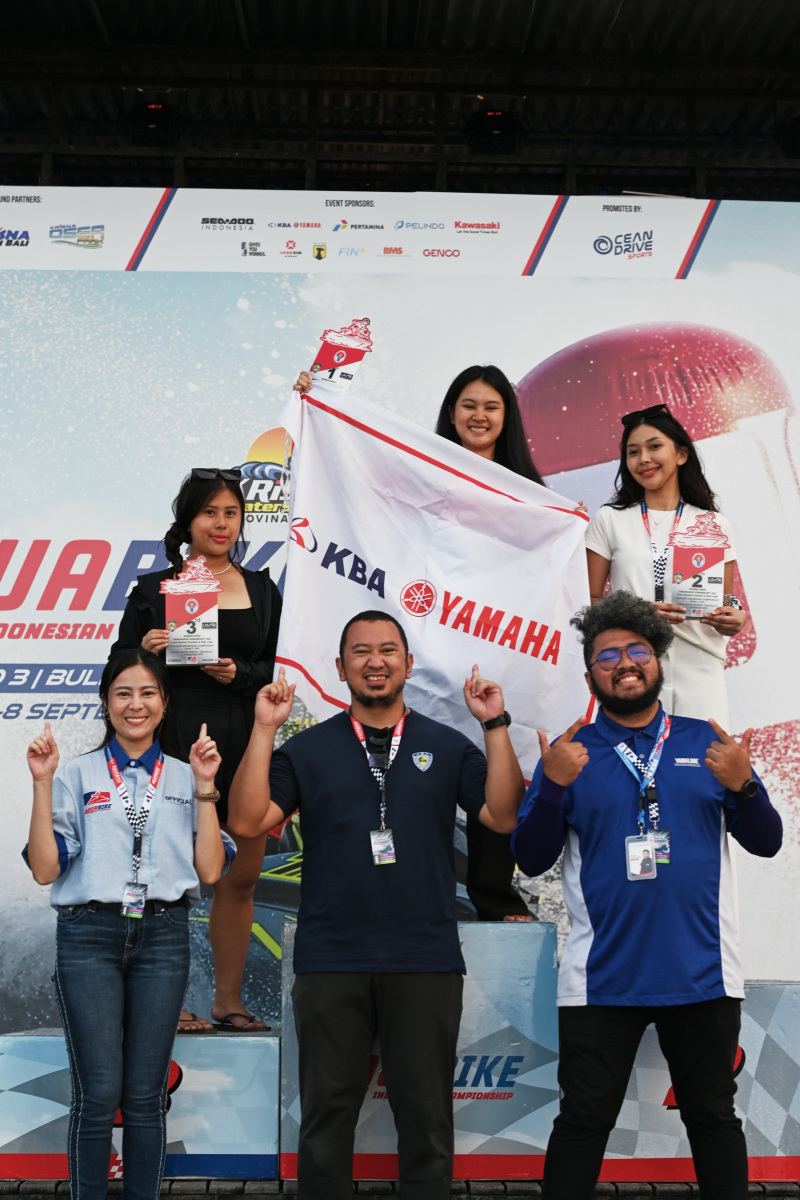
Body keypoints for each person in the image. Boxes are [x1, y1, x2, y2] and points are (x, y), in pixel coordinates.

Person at [227, 609, 524, 1200]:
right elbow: (247, 820)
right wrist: (263, 730)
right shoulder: (308, 749)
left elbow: (501, 814)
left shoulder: (447, 744)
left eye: (388, 650)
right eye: (360, 652)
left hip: (424, 959)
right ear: (340, 669)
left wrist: (494, 724)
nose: (375, 661)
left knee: (427, 1120)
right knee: (325, 1121)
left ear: (408, 664)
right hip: (330, 958)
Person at [512, 591, 782, 1200]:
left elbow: (767, 842)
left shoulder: (709, 743)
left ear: (658, 659)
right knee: (583, 1121)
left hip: (703, 973)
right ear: (591, 675)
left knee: (713, 1118)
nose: (624, 664)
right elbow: (530, 857)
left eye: (637, 650)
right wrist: (552, 786)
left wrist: (744, 785)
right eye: (607, 656)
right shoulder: (570, 753)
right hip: (601, 977)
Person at [295, 362, 544, 921]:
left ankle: (493, 894)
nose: (479, 416)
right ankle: (404, 889)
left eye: (491, 407)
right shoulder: (420, 475)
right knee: (411, 773)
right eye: (468, 405)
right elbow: (361, 486)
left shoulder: (531, 498)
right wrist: (323, 404)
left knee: (494, 760)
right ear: (451, 413)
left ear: (507, 417)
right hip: (429, 640)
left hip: (491, 640)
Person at [25, 648, 233, 1200]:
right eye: (123, 693)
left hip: (163, 937)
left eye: (147, 693)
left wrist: (207, 786)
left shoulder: (188, 775)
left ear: (164, 703)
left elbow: (211, 870)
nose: (134, 704)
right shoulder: (75, 773)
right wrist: (42, 783)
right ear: (106, 702)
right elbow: (45, 869)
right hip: (89, 936)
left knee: (144, 1097)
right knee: (98, 1095)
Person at [110, 467, 282, 1032]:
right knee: (166, 876)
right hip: (174, 737)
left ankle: (227, 1001)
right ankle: (168, 1000)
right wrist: (144, 650)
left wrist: (240, 673)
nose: (221, 524)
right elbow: (118, 676)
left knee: (241, 877)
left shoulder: (262, 589)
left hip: (245, 739)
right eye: (210, 512)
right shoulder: (153, 589)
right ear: (188, 521)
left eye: (231, 513)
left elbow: (280, 668)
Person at [585, 402, 748, 725]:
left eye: (654, 447)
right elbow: (586, 599)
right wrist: (635, 614)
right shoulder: (610, 519)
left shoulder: (713, 523)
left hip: (700, 668)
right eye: (633, 452)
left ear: (681, 455)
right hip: (633, 669)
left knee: (703, 755)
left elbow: (725, 598)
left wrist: (735, 615)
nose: (643, 459)